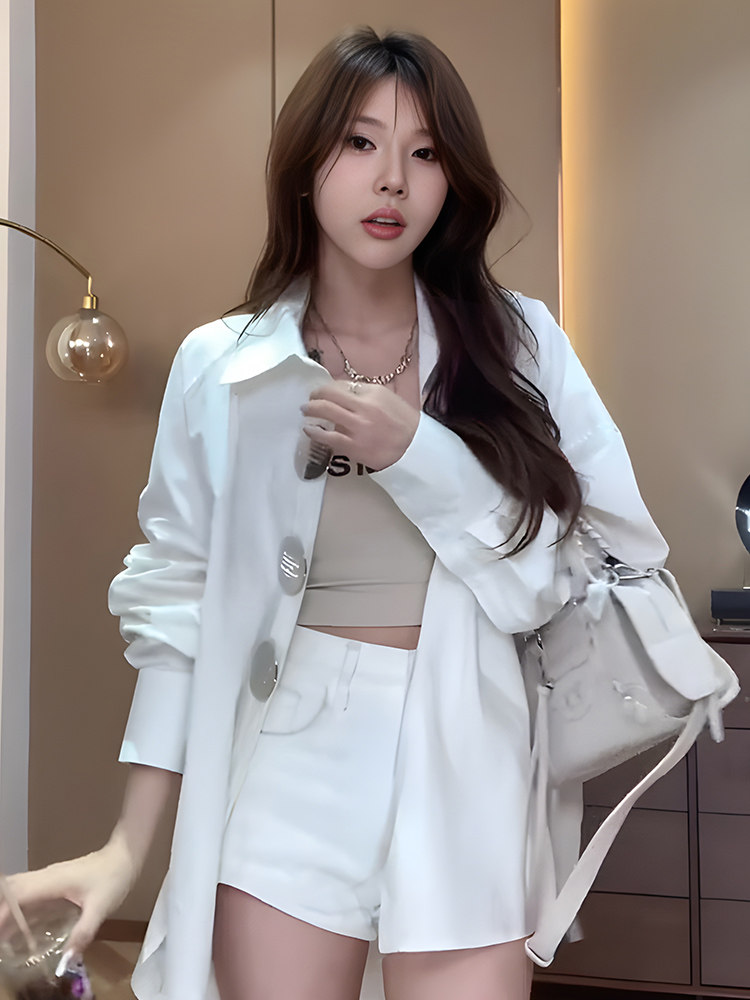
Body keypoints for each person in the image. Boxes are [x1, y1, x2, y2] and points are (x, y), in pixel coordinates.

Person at [5, 27, 667, 1000]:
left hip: (466, 755)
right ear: (306, 161)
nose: (392, 178)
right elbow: (176, 610)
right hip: (289, 763)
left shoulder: (520, 344)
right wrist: (127, 846)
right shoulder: (222, 366)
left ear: (452, 180)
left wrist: (421, 454)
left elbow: (599, 559)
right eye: (360, 142)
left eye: (425, 152)